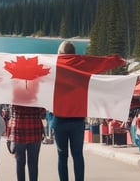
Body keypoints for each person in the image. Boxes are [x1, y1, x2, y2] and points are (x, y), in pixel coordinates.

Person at [53, 40, 86, 181]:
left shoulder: (54, 67)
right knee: (78, 154)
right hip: (78, 119)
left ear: (60, 53)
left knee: (62, 155)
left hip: (60, 119)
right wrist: (115, 61)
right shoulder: (82, 67)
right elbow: (100, 63)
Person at [7, 105, 45, 181]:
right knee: (33, 164)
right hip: (35, 132)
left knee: (20, 163)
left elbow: (11, 114)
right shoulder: (37, 99)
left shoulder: (15, 99)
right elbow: (43, 112)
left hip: (19, 133)